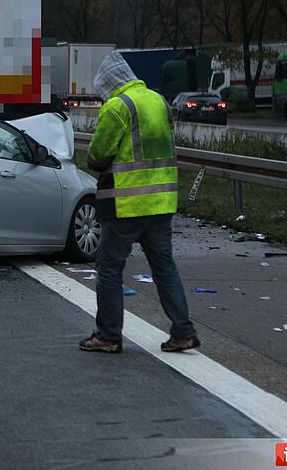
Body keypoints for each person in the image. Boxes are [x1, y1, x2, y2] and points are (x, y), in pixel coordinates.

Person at [79, 52, 199, 354]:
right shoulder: (158, 101)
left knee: (109, 268)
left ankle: (107, 335)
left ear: (108, 83)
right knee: (164, 267)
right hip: (162, 201)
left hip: (127, 205)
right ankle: (183, 332)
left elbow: (97, 156)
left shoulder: (118, 107)